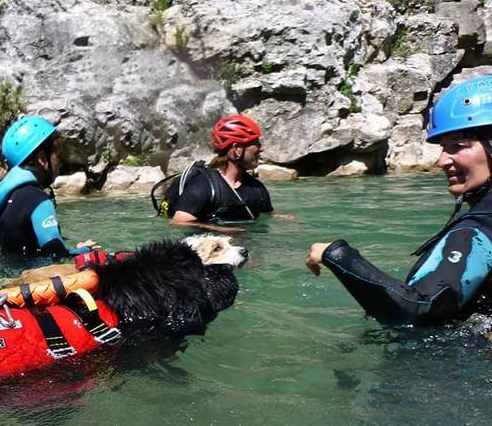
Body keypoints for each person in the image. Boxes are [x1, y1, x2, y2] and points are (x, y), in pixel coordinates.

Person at [305, 74, 492, 327]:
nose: (441, 161)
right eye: (442, 147)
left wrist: (336, 255)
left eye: (457, 146)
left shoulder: (479, 229)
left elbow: (417, 310)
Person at [0, 115, 98, 257]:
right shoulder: (40, 201)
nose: (61, 163)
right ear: (42, 159)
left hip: (5, 274)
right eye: (58, 156)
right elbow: (55, 254)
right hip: (34, 275)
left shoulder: (3, 199)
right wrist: (84, 250)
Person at [160, 114, 278, 233]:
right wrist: (221, 229)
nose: (261, 148)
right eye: (256, 143)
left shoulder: (257, 189)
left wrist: (284, 218)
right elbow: (178, 222)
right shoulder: (202, 186)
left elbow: (268, 215)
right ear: (237, 149)